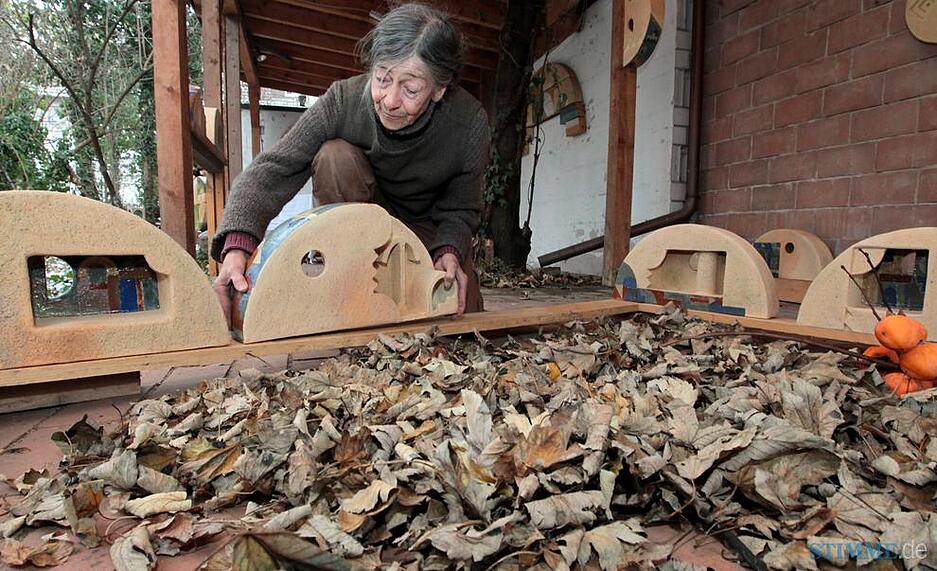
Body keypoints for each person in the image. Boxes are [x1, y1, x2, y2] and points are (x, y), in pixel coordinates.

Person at [210, 2, 489, 324]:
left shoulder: (469, 123)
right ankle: (345, 283)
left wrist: (450, 250)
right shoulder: (342, 100)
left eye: (410, 88)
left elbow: (462, 207)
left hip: (430, 229)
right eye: (382, 79)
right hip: (361, 226)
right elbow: (272, 169)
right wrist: (237, 248)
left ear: (439, 90)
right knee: (334, 155)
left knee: (463, 321)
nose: (390, 100)